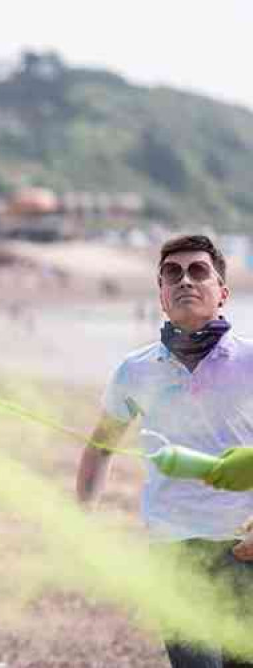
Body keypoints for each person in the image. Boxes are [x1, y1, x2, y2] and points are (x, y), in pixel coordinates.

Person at [75, 234, 253, 667]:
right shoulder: (135, 371)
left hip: (244, 548)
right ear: (161, 294)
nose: (185, 281)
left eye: (198, 271)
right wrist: (80, 522)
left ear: (222, 293)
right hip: (172, 549)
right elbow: (99, 448)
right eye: (172, 274)